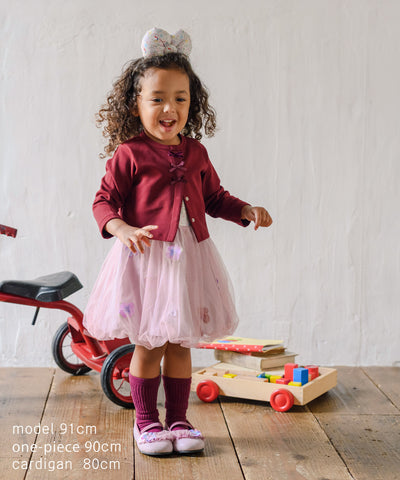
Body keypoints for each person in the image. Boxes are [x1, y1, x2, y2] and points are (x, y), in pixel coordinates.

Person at [83, 28, 272, 456]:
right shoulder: (129, 153)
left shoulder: (197, 153)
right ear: (136, 103)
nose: (170, 108)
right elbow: (102, 202)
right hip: (146, 259)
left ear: (193, 102)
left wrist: (244, 210)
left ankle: (180, 419)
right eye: (157, 98)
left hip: (188, 259)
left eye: (180, 98)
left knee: (181, 343)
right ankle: (147, 421)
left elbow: (214, 198)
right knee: (150, 343)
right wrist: (122, 228)